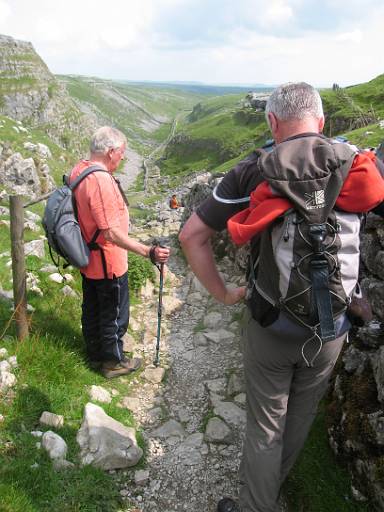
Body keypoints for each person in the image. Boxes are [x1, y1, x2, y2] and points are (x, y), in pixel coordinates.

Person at [179, 83, 384, 512]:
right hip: (333, 327)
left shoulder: (254, 170)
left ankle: (256, 505)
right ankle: (273, 494)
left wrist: (224, 294)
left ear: (272, 122)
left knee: (265, 424)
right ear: (322, 122)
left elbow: (192, 236)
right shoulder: (357, 167)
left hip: (272, 322)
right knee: (300, 418)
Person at [70, 126, 170, 379]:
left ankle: (94, 353)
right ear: (111, 151)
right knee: (114, 315)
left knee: (92, 307)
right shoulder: (101, 180)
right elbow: (110, 233)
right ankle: (113, 362)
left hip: (88, 259)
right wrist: (147, 251)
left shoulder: (80, 169)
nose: (123, 157)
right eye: (122, 152)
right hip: (108, 263)